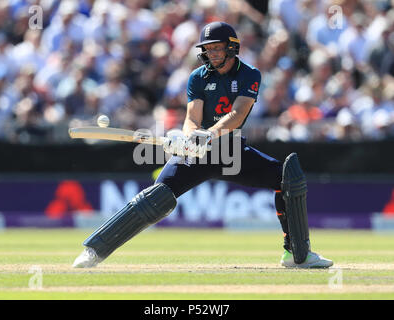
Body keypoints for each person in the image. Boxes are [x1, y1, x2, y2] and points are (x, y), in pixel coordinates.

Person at [73, 22, 333, 269]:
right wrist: (188, 137)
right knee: (157, 196)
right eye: (208, 48)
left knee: (287, 180)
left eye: (217, 47)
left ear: (232, 47)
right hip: (197, 154)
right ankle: (94, 250)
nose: (212, 53)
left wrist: (210, 134)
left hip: (230, 152)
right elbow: (191, 118)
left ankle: (297, 254)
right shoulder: (197, 77)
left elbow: (238, 114)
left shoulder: (249, 74)